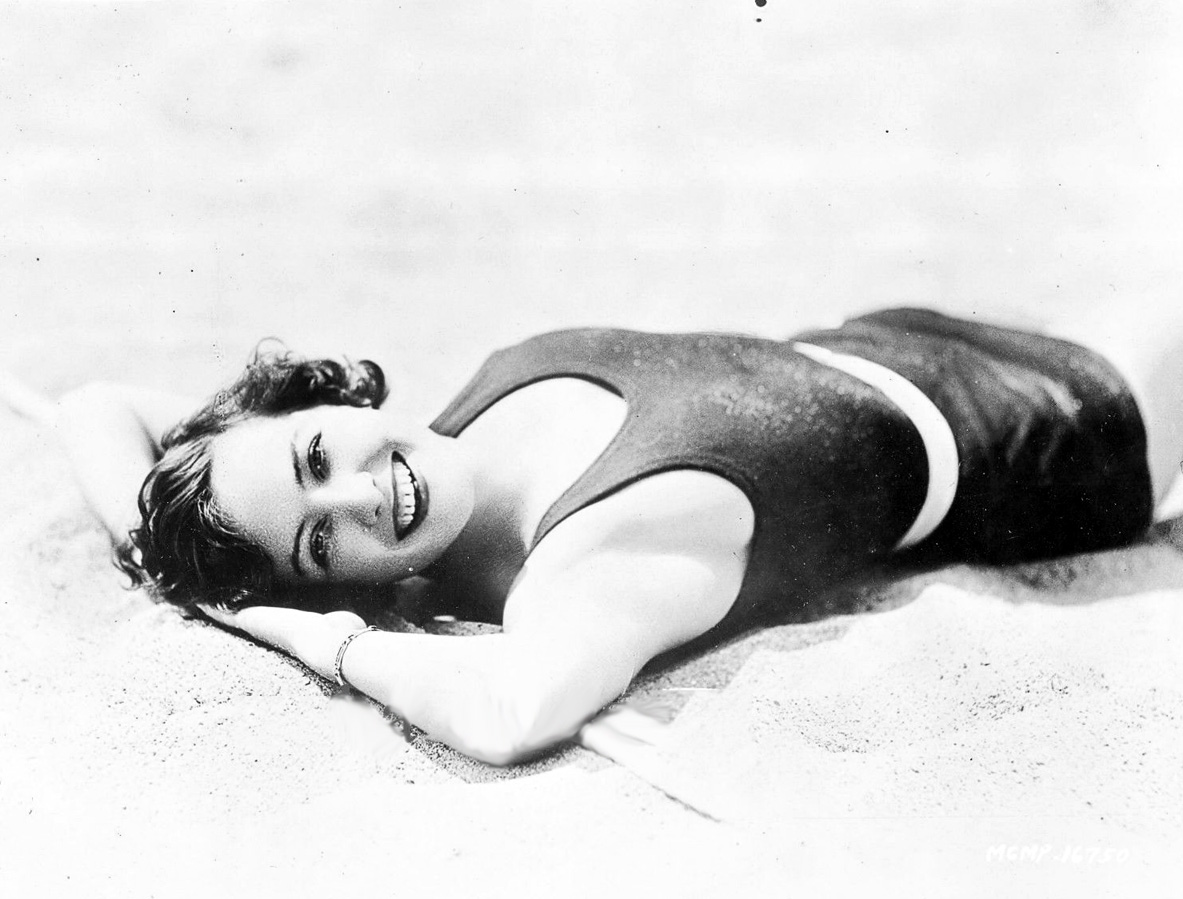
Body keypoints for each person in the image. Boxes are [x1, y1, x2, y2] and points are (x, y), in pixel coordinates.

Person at [4, 307, 1181, 766]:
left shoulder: (447, 442)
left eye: (318, 456)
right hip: (1065, 437)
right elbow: (509, 715)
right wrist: (296, 631)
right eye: (323, 542)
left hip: (896, 333)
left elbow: (106, 401)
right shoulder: (591, 556)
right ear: (346, 588)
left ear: (328, 403)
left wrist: (171, 563)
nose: (363, 496)